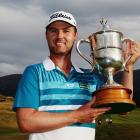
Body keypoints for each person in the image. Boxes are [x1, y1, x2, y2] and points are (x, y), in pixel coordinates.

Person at [13, 11, 140, 140]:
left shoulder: (91, 77)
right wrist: (77, 115)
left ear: (75, 36)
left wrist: (128, 65)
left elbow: (124, 107)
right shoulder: (34, 72)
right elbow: (25, 122)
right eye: (53, 31)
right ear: (46, 35)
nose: (60, 36)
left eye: (66, 31)